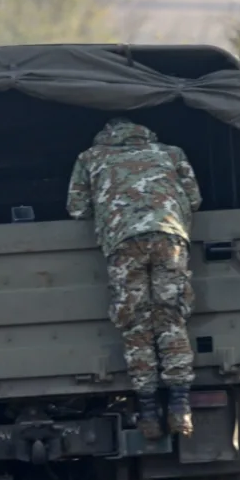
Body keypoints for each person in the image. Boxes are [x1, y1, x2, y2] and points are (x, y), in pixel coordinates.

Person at [67, 117, 202, 437]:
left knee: (136, 323)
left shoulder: (90, 158)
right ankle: (180, 407)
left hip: (123, 243)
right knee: (171, 319)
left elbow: (76, 209)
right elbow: (194, 200)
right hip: (170, 238)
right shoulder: (171, 154)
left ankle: (148, 413)